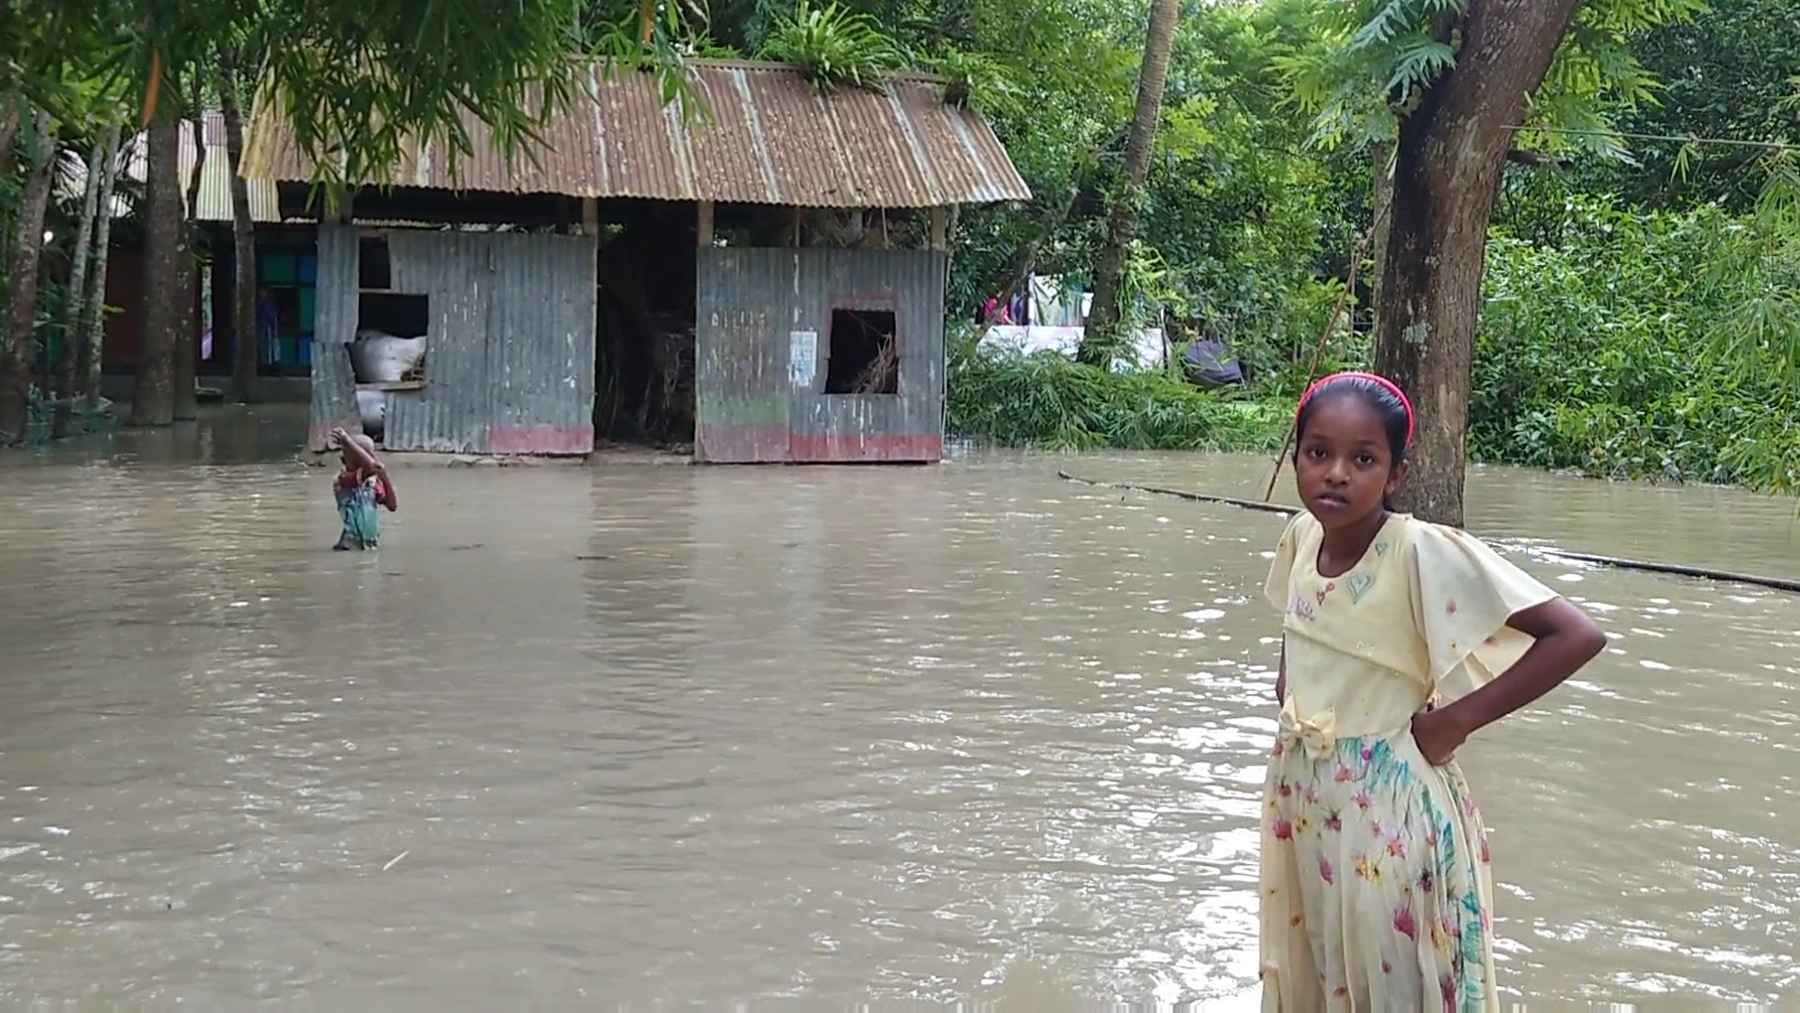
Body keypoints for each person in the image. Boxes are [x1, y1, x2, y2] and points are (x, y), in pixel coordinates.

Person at [1259, 371, 1605, 1010]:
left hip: (1388, 809)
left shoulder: (1419, 550)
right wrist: (1290, 684)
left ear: (1393, 475)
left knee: (1397, 980)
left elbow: (1574, 635)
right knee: (1324, 966)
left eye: (1362, 459)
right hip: (1305, 795)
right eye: (1318, 453)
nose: (1336, 472)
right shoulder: (1301, 538)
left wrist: (1457, 722)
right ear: (1296, 458)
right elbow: (1297, 623)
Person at [329, 427, 398, 550]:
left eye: (370, 454)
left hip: (369, 546)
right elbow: (371, 467)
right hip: (348, 547)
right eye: (364, 454)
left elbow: (392, 506)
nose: (370, 458)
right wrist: (347, 441)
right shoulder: (341, 479)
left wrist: (385, 478)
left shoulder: (372, 483)